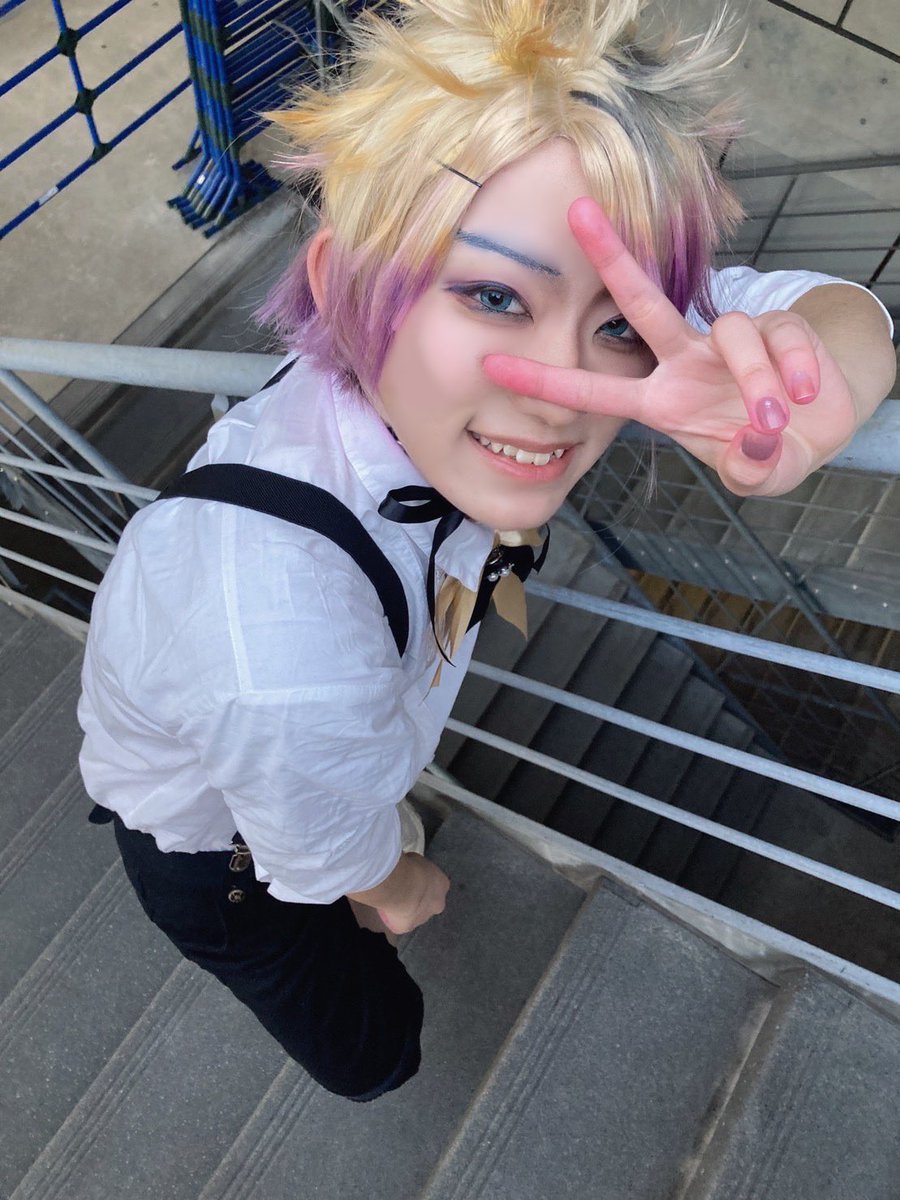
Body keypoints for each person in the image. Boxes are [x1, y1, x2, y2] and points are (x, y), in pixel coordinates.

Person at [78, 0, 895, 1103]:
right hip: (211, 855)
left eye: (618, 322)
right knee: (367, 1042)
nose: (565, 395)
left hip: (299, 760)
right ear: (339, 282)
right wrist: (400, 884)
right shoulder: (283, 650)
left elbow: (791, 310)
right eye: (495, 295)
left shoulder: (397, 409)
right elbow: (327, 856)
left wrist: (820, 380)